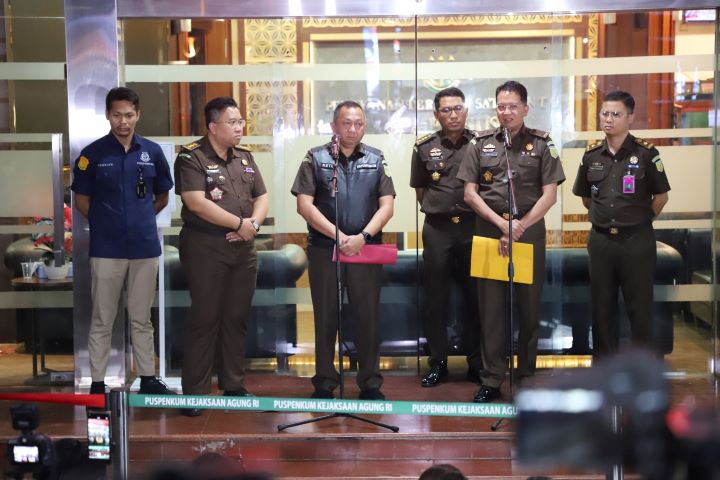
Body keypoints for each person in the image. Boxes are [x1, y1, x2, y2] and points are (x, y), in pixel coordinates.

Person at [458, 80, 565, 403]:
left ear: (525, 109)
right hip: (489, 232)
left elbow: (550, 194)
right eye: (501, 106)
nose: (506, 112)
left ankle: (526, 376)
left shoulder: (543, 144)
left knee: (529, 309)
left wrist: (519, 226)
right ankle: (491, 378)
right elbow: (469, 193)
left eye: (512, 106)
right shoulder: (480, 144)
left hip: (528, 234)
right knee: (490, 311)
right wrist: (502, 224)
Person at [71, 86, 174, 395]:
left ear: (138, 115)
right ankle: (99, 383)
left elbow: (162, 197)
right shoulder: (92, 154)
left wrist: (139, 221)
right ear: (108, 115)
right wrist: (107, 225)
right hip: (107, 250)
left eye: (129, 115)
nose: (123, 121)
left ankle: (148, 378)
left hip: (144, 247)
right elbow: (82, 202)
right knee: (103, 317)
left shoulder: (152, 152)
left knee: (142, 318)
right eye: (117, 115)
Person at [291, 100, 395, 400]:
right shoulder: (316, 158)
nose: (353, 129)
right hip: (326, 249)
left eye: (359, 123)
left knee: (368, 317)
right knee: (326, 317)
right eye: (346, 123)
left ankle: (370, 383)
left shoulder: (376, 159)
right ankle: (324, 382)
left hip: (365, 249)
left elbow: (386, 206)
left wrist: (362, 236)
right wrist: (338, 236)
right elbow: (304, 205)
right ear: (334, 125)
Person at [174, 97, 269, 416]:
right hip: (206, 247)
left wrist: (252, 225)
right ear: (213, 127)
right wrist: (239, 224)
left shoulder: (244, 157)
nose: (241, 127)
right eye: (234, 122)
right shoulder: (192, 157)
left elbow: (262, 196)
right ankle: (196, 394)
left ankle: (233, 383)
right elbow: (196, 202)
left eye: (241, 121)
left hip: (243, 248)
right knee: (205, 318)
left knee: (236, 317)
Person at [572, 90, 670, 358]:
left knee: (639, 308)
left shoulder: (647, 154)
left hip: (636, 241)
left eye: (616, 114)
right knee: (602, 307)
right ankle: (605, 370)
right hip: (601, 241)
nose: (609, 119)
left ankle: (641, 370)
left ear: (630, 118)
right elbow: (585, 199)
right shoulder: (591, 155)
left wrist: (637, 220)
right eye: (605, 113)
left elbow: (660, 198)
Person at [409, 87, 480, 387]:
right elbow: (421, 190)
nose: (453, 114)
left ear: (466, 111)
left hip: (473, 227)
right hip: (437, 229)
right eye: (446, 110)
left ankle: (478, 362)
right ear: (436, 114)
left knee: (476, 298)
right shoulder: (424, 147)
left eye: (458, 108)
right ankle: (437, 362)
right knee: (435, 298)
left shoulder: (481, 144)